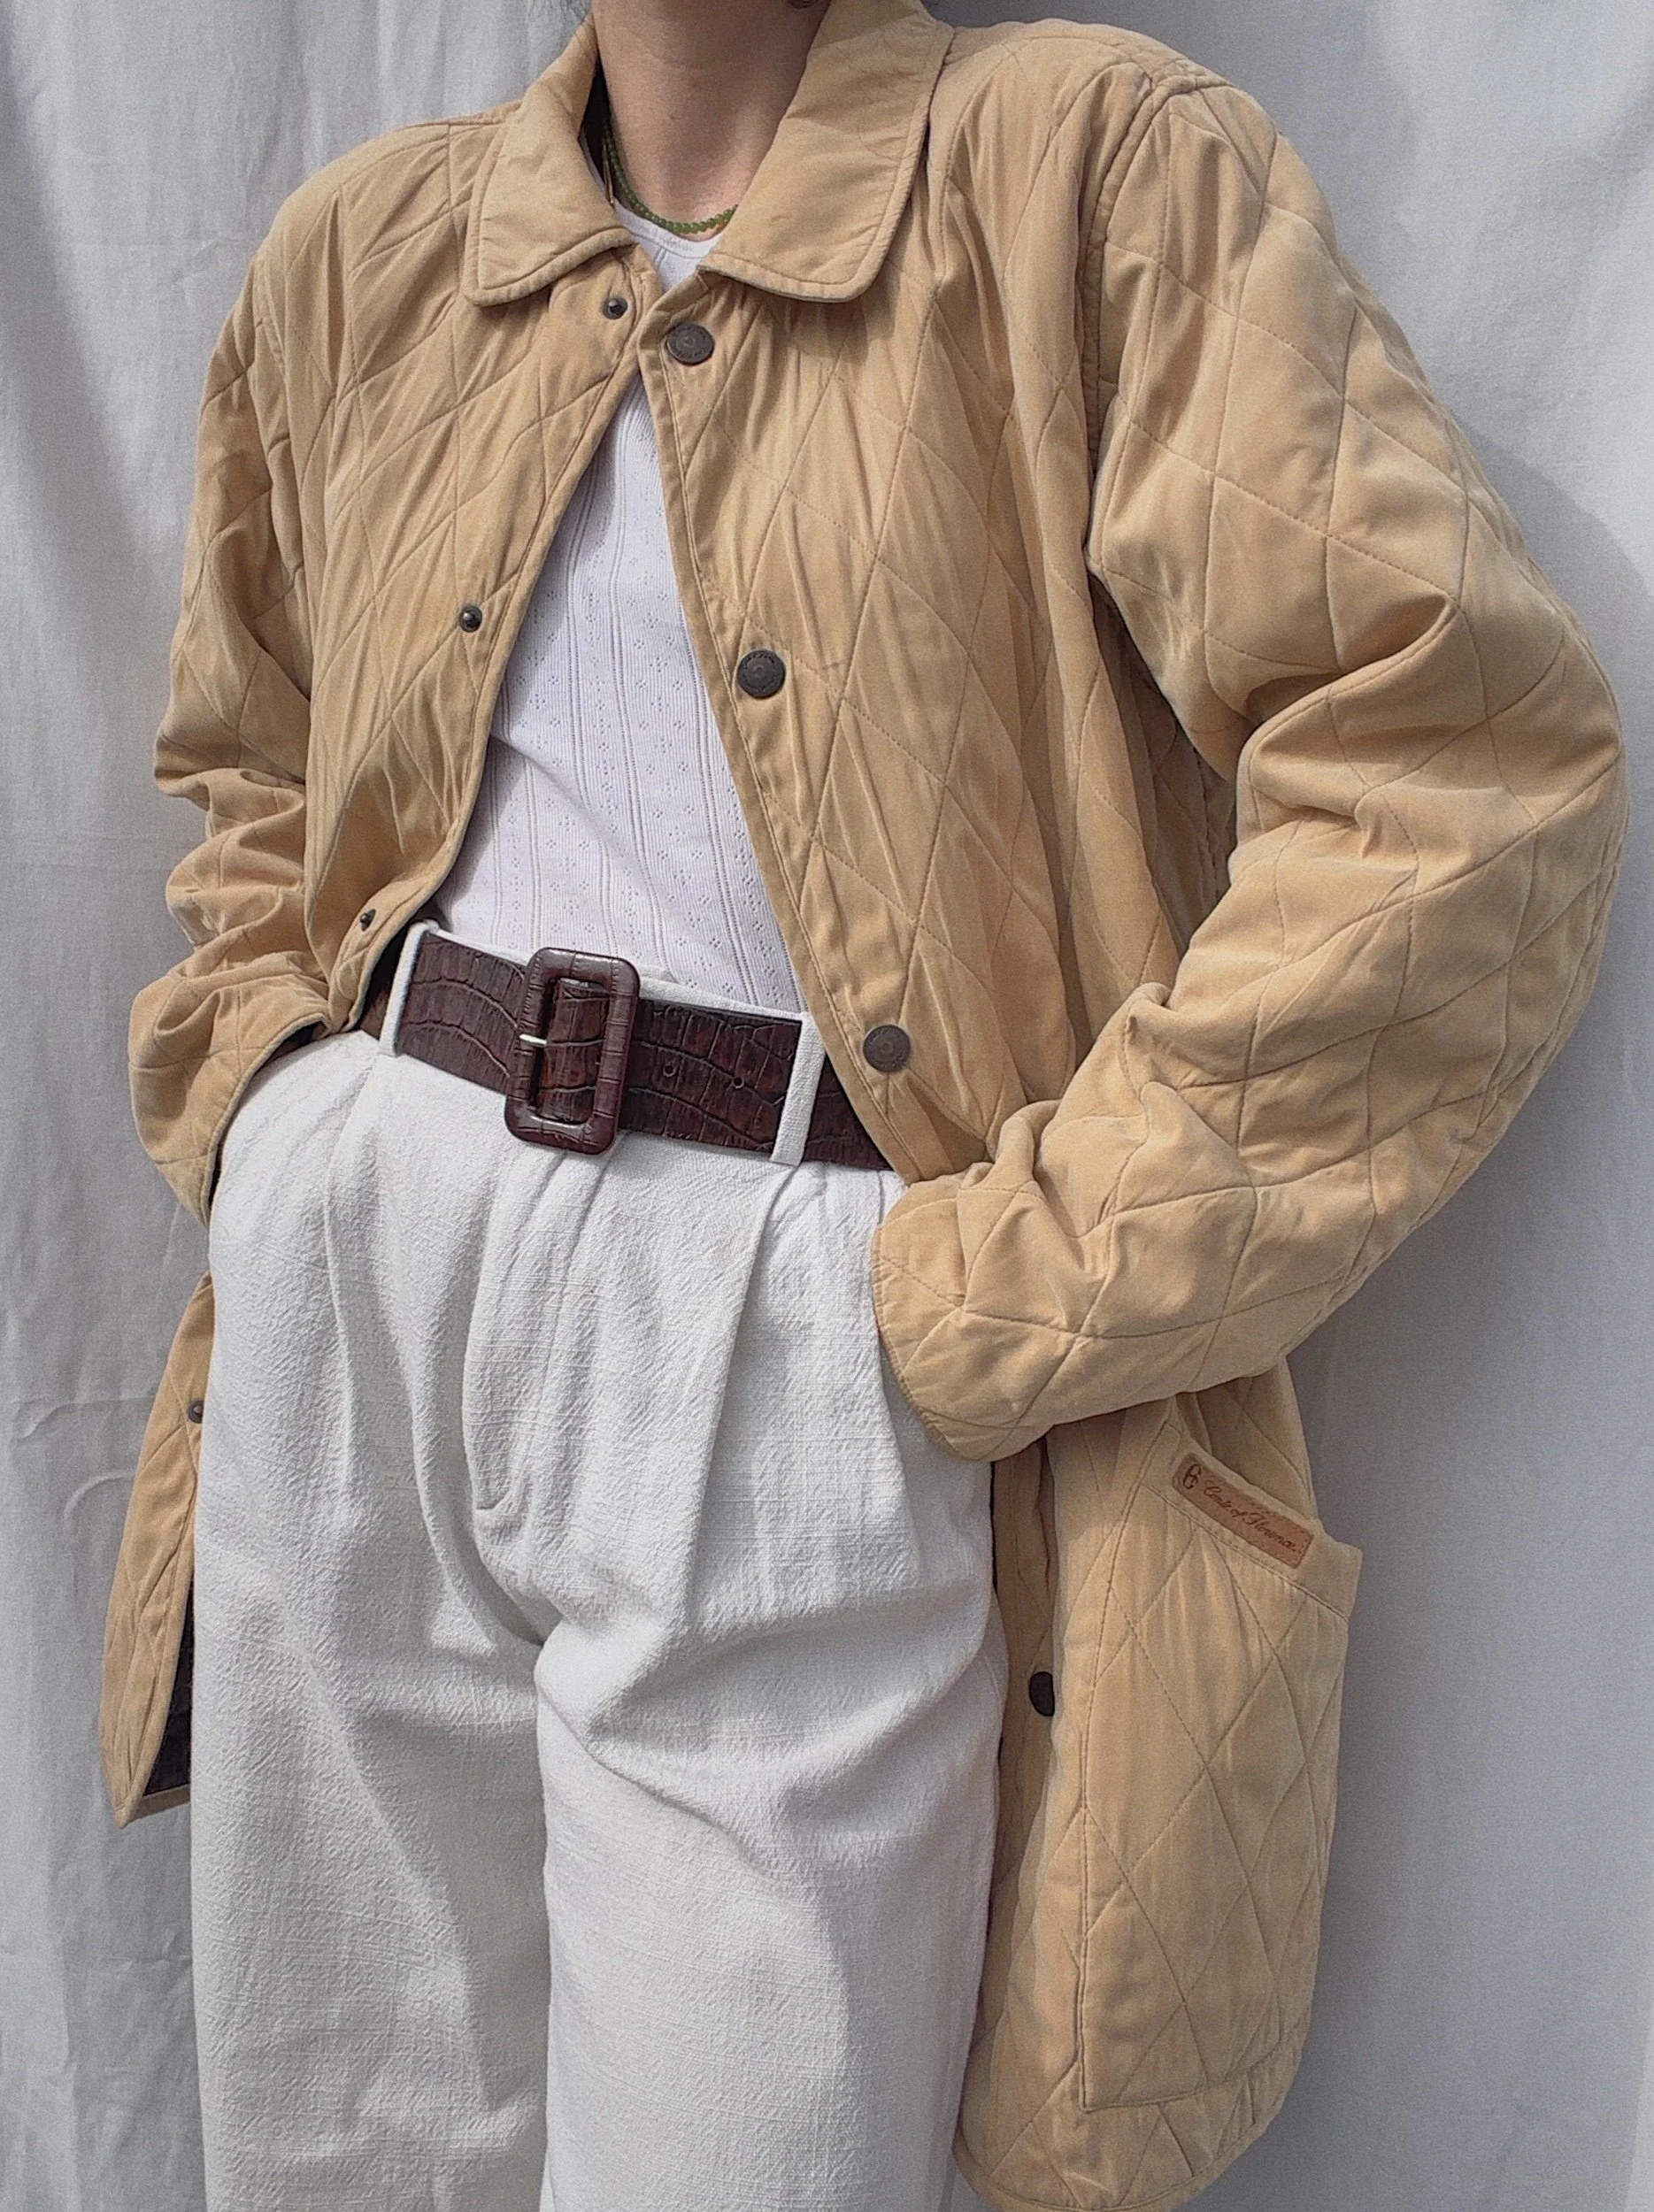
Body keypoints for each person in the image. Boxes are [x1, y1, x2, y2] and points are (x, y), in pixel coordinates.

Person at [100, 0, 1626, 2208]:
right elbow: (250, 765)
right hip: (355, 1269)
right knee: (330, 2142)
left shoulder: (1086, 170)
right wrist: (266, 1112)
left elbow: (1463, 776)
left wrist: (982, 1291)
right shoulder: (369, 249)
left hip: (796, 1334)